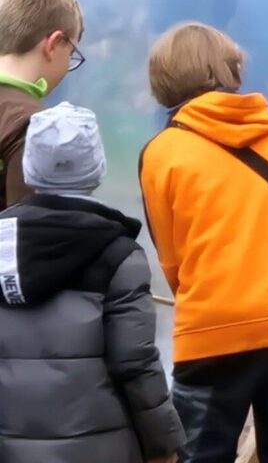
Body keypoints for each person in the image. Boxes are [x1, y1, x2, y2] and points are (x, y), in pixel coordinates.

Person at [140, 22, 268, 463]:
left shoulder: (162, 153)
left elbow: (172, 258)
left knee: (200, 454)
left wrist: (207, 302)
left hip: (213, 331)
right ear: (232, 69)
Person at [0, 102, 184, 463]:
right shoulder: (119, 254)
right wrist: (164, 444)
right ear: (98, 169)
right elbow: (136, 362)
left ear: (29, 168)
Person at [0, 0, 85, 208]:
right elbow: (27, 235)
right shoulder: (32, 126)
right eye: (71, 53)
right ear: (54, 43)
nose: (69, 64)